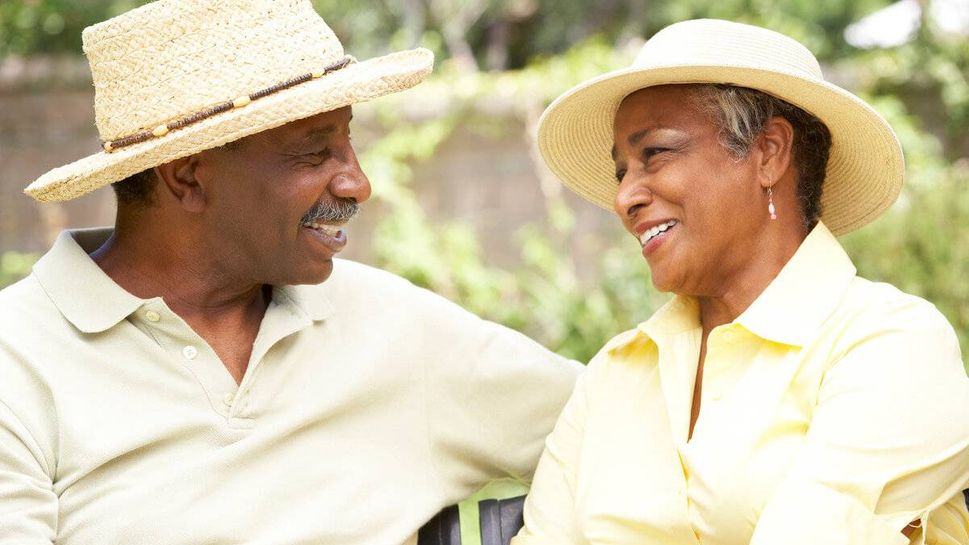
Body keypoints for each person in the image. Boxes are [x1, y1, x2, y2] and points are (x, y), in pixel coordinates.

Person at [0, 1, 581, 544]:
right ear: (188, 177)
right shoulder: (17, 362)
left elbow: (633, 422)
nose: (357, 183)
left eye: (347, 140)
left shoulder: (398, 328)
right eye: (312, 153)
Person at [513, 18, 969, 545]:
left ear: (769, 152)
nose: (624, 198)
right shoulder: (614, 375)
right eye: (622, 172)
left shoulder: (889, 345)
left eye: (655, 153)